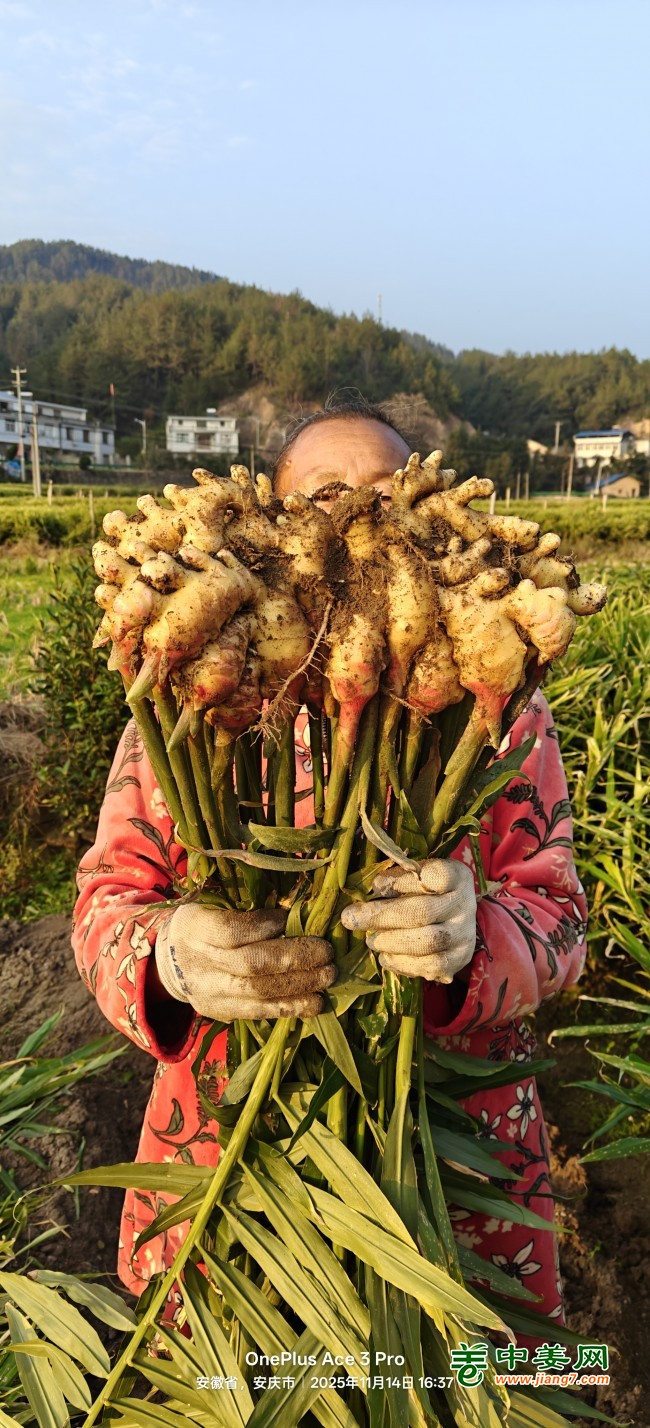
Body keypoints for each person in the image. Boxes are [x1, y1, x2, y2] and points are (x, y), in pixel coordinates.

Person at [72, 395, 587, 1335]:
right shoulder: (192, 696)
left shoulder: (501, 710)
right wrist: (174, 954)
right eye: (328, 496)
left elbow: (561, 917)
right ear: (267, 532)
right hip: (229, 1161)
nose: (362, 523)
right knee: (236, 1375)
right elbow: (108, 900)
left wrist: (479, 936)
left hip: (447, 1161)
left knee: (443, 1373)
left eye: (392, 497)